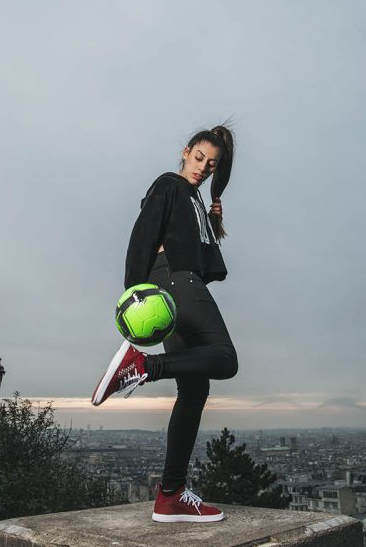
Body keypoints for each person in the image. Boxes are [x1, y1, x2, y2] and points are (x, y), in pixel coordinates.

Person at [91, 126, 238, 522]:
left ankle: (170, 496)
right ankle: (142, 366)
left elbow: (197, 253)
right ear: (185, 152)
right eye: (199, 158)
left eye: (211, 165)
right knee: (225, 358)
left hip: (176, 283)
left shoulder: (194, 200)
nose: (203, 168)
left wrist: (212, 224)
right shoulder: (170, 185)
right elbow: (142, 236)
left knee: (194, 388)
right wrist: (133, 297)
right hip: (173, 280)